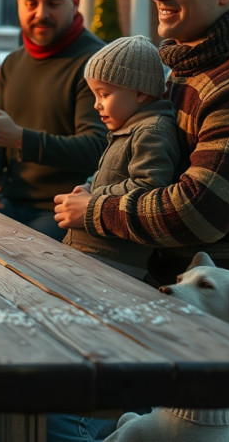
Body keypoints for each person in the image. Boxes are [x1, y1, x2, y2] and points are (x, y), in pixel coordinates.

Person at [54, 0, 229, 284]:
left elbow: (199, 212)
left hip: (207, 296)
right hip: (153, 274)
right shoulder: (184, 66)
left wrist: (94, 209)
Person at [0, 0, 106, 240]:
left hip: (62, 210)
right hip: (6, 201)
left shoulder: (96, 63)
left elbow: (97, 147)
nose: (41, 13)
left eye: (53, 3)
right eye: (31, 3)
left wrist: (20, 139)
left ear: (75, 2)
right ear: (18, 3)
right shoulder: (13, 62)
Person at [62, 35, 180, 281]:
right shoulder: (128, 128)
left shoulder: (152, 131)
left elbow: (149, 187)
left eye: (103, 94)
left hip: (114, 261)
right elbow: (111, 174)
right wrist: (87, 186)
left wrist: (92, 200)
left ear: (139, 92)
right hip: (93, 254)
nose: (96, 105)